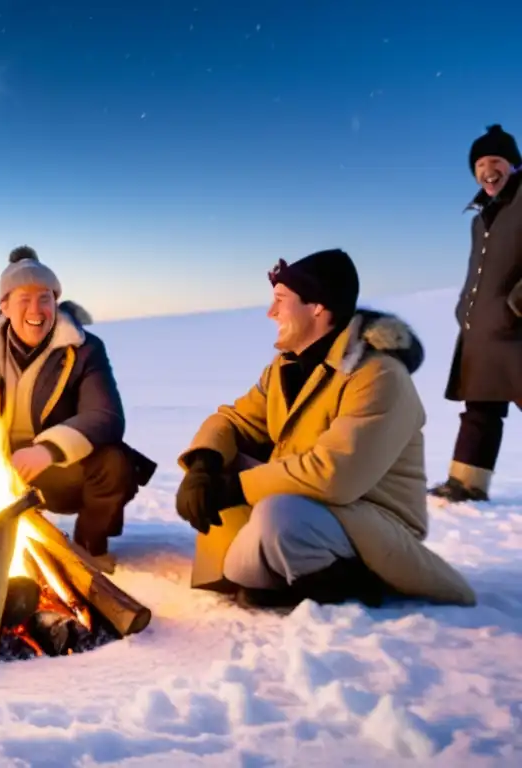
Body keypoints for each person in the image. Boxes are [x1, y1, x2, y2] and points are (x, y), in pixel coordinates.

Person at [176, 249, 476, 609]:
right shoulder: (285, 368)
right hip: (302, 509)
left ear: (317, 306)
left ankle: (357, 577)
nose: (271, 313)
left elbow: (335, 474)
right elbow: (232, 420)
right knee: (240, 552)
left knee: (277, 518)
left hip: (369, 521)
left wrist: (234, 488)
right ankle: (273, 574)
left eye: (280, 301)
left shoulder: (377, 376)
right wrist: (203, 465)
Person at [0, 246, 157, 573]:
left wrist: (48, 450)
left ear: (55, 302)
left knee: (115, 463)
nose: (36, 310)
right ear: (5, 306)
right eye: (24, 299)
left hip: (54, 472)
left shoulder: (83, 348)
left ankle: (88, 549)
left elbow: (105, 416)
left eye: (45, 298)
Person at [429, 124, 522, 503]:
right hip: (483, 331)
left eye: (495, 160)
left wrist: (517, 302)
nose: (487, 169)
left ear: (514, 165)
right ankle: (466, 484)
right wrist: (465, 306)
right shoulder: (480, 218)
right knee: (479, 411)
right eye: (480, 164)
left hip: (517, 330)